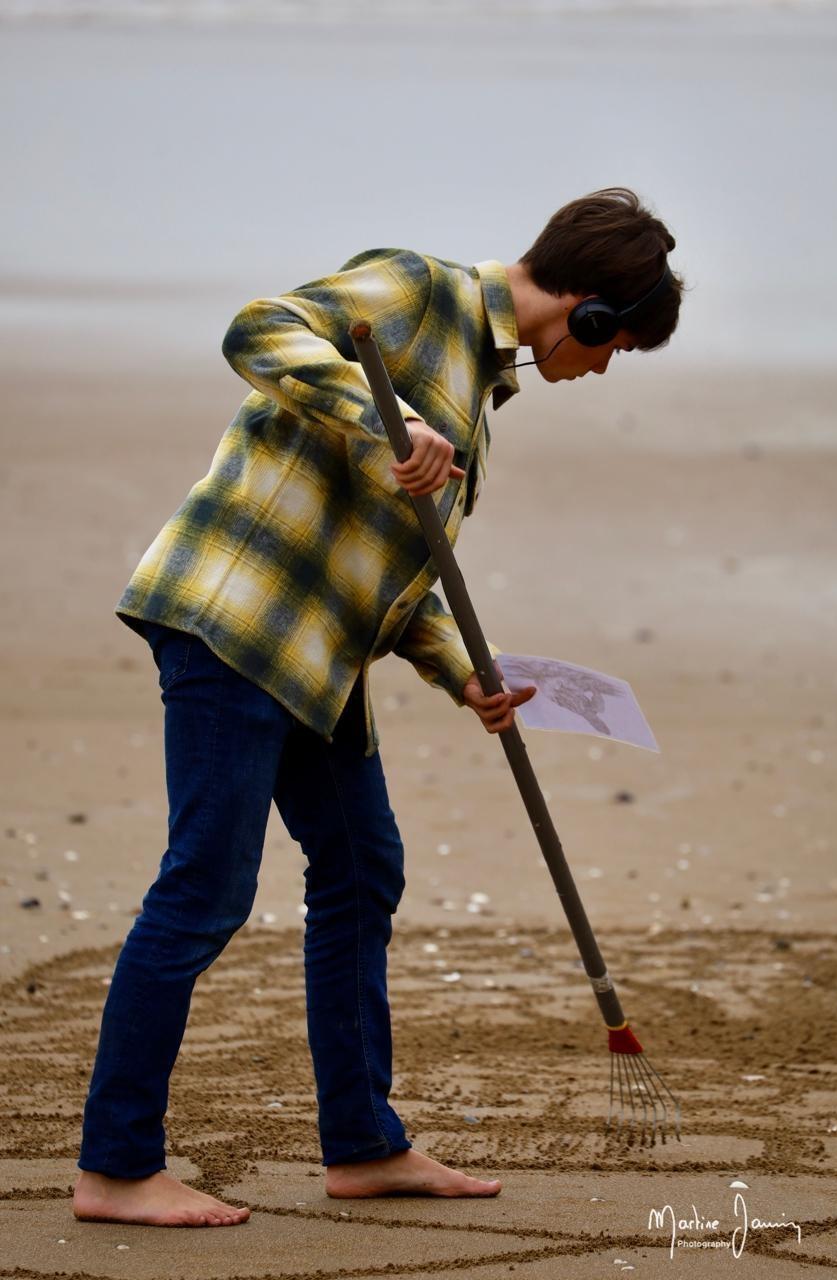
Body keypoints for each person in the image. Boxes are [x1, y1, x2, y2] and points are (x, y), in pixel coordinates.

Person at [73, 186, 683, 1227]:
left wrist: (468, 677)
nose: (604, 366)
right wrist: (384, 409)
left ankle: (363, 1144)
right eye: (617, 344)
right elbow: (256, 329)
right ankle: (116, 1164)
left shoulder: (479, 397)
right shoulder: (415, 290)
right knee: (207, 885)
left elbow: (392, 573)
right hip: (236, 621)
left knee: (362, 868)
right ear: (586, 310)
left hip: (319, 660)